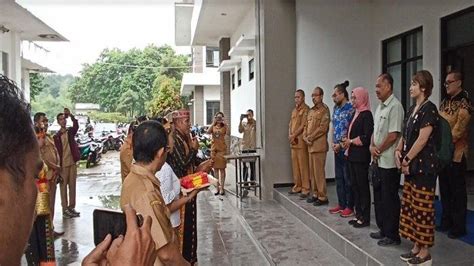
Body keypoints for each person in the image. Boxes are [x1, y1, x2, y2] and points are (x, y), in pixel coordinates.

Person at [0, 74, 155, 266]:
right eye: (32, 176)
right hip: (56, 169)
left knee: (60, 197)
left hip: (65, 166)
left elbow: (73, 130)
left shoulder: (63, 133)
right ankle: (63, 212)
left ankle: (67, 210)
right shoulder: (52, 137)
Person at [120, 120, 190, 266]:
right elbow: (166, 254)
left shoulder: (131, 179)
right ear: (160, 153)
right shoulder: (147, 193)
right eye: (166, 149)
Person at [395, 70, 439, 265]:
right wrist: (398, 151)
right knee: (411, 207)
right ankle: (415, 246)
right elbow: (405, 136)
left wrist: (406, 160)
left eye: (414, 84)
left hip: (423, 168)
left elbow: (422, 140)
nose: (410, 87)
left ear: (423, 87)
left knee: (423, 209)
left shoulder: (429, 109)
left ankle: (425, 252)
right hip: (411, 168)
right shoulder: (413, 108)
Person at [166, 109, 213, 265]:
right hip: (181, 189)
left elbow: (190, 163)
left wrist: (201, 166)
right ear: (178, 122)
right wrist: (193, 149)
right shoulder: (175, 139)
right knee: (185, 227)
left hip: (189, 185)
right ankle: (186, 260)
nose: (189, 124)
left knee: (191, 225)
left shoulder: (184, 137)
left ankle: (191, 258)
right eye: (187, 121)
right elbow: (182, 164)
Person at [369, 73, 404, 246]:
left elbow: (393, 135)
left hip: (389, 162)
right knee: (379, 197)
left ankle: (392, 234)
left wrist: (378, 149)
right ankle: (383, 229)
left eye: (379, 86)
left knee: (390, 198)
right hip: (377, 160)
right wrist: (371, 147)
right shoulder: (380, 107)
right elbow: (375, 132)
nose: (376, 90)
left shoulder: (395, 106)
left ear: (388, 86)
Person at [438, 70, 472, 239]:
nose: (446, 85)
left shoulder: (465, 103)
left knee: (457, 191)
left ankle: (458, 226)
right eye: (445, 83)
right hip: (443, 154)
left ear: (458, 83)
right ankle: (446, 221)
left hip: (457, 153)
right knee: (444, 188)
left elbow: (460, 128)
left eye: (449, 82)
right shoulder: (444, 102)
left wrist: (445, 142)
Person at [155, 117, 199, 230]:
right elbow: (167, 206)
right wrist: (190, 195)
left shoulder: (162, 167)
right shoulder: (163, 169)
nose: (173, 139)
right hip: (169, 224)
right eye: (170, 135)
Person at [341, 87, 373, 228]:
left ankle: (364, 218)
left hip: (361, 157)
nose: (352, 100)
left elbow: (366, 137)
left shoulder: (366, 115)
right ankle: (358, 214)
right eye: (352, 97)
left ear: (362, 98)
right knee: (354, 186)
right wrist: (347, 140)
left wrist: (351, 141)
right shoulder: (356, 113)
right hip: (352, 156)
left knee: (362, 187)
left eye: (355, 98)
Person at [34, 112, 64, 237]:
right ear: (36, 123)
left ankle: (50, 229)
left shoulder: (48, 136)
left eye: (46, 120)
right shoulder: (36, 138)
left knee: (51, 205)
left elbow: (54, 152)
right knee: (43, 207)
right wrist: (55, 166)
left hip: (53, 176)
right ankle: (42, 234)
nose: (46, 123)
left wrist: (57, 169)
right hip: (43, 179)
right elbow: (40, 158)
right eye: (43, 120)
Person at [328, 81, 355, 218]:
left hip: (345, 147)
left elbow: (352, 129)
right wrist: (332, 141)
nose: (333, 97)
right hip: (336, 147)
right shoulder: (335, 108)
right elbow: (333, 125)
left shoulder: (351, 108)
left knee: (347, 178)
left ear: (343, 94)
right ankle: (341, 203)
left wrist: (341, 144)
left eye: (335, 95)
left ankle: (350, 206)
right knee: (339, 178)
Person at [303, 87, 330, 206]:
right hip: (310, 146)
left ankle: (322, 196)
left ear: (321, 96)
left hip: (319, 146)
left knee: (319, 173)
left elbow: (323, 128)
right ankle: (315, 194)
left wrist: (311, 137)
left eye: (316, 95)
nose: (313, 98)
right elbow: (305, 125)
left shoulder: (325, 110)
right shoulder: (311, 111)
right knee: (312, 173)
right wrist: (305, 137)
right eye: (312, 95)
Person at [54, 108, 81, 219]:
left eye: (64, 119)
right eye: (60, 119)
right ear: (58, 122)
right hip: (63, 164)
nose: (63, 121)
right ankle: (64, 209)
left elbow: (76, 126)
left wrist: (71, 116)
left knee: (72, 186)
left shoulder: (70, 132)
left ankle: (71, 207)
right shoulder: (56, 136)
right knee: (63, 187)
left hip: (72, 162)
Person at [288, 89, 311, 197]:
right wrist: (290, 135)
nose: (296, 99)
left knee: (303, 165)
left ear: (303, 97)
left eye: (298, 97)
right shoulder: (294, 111)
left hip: (301, 142)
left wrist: (294, 135)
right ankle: (297, 186)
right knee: (295, 166)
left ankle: (305, 188)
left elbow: (303, 125)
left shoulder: (306, 110)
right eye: (295, 97)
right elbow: (290, 124)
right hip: (293, 142)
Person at [207, 112, 228, 195]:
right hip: (214, 151)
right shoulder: (213, 126)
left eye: (220, 118)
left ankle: (222, 188)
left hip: (222, 151)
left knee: (222, 170)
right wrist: (213, 122)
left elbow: (228, 133)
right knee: (215, 170)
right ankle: (217, 188)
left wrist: (225, 123)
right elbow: (208, 132)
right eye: (217, 117)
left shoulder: (224, 127)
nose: (219, 119)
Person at [238, 109, 257, 197]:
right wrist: (240, 120)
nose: (248, 116)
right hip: (245, 148)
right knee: (245, 166)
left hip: (252, 147)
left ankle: (252, 182)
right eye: (246, 115)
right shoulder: (244, 124)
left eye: (249, 115)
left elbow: (258, 129)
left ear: (252, 115)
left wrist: (252, 121)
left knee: (253, 166)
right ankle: (245, 184)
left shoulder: (255, 123)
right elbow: (240, 130)